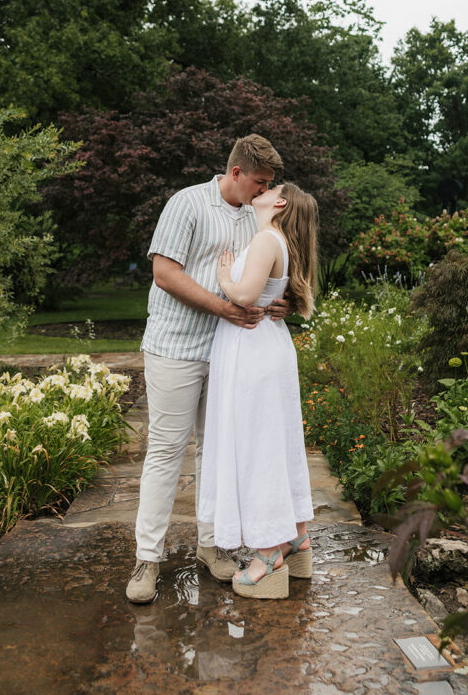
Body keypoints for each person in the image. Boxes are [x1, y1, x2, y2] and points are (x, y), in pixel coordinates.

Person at [126, 134, 289, 604]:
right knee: (166, 451)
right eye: (259, 183)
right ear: (236, 173)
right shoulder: (188, 203)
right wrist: (224, 307)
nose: (264, 192)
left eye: (268, 185)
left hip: (227, 352)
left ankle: (211, 546)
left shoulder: (256, 217)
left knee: (215, 453)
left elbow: (258, 275)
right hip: (174, 347)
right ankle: (147, 558)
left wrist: (279, 302)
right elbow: (164, 274)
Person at [198, 182, 318, 600]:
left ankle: (268, 557)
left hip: (252, 351)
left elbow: (247, 296)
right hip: (267, 345)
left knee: (256, 449)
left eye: (272, 187)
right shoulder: (277, 239)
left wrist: (223, 278)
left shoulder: (268, 238)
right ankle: (296, 538)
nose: (263, 190)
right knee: (276, 443)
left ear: (279, 203)